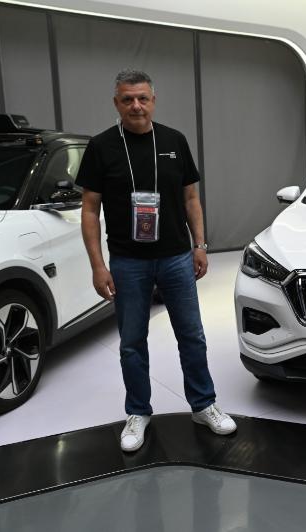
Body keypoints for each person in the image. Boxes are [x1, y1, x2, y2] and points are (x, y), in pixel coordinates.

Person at [78, 69, 236, 452]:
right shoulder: (101, 147)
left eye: (142, 98)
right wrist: (98, 265)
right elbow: (89, 209)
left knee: (192, 336)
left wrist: (200, 244)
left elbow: (191, 198)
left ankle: (203, 404)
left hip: (176, 257)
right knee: (132, 342)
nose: (136, 105)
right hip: (127, 261)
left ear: (153, 100)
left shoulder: (174, 141)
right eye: (128, 99)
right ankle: (138, 412)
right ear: (116, 103)